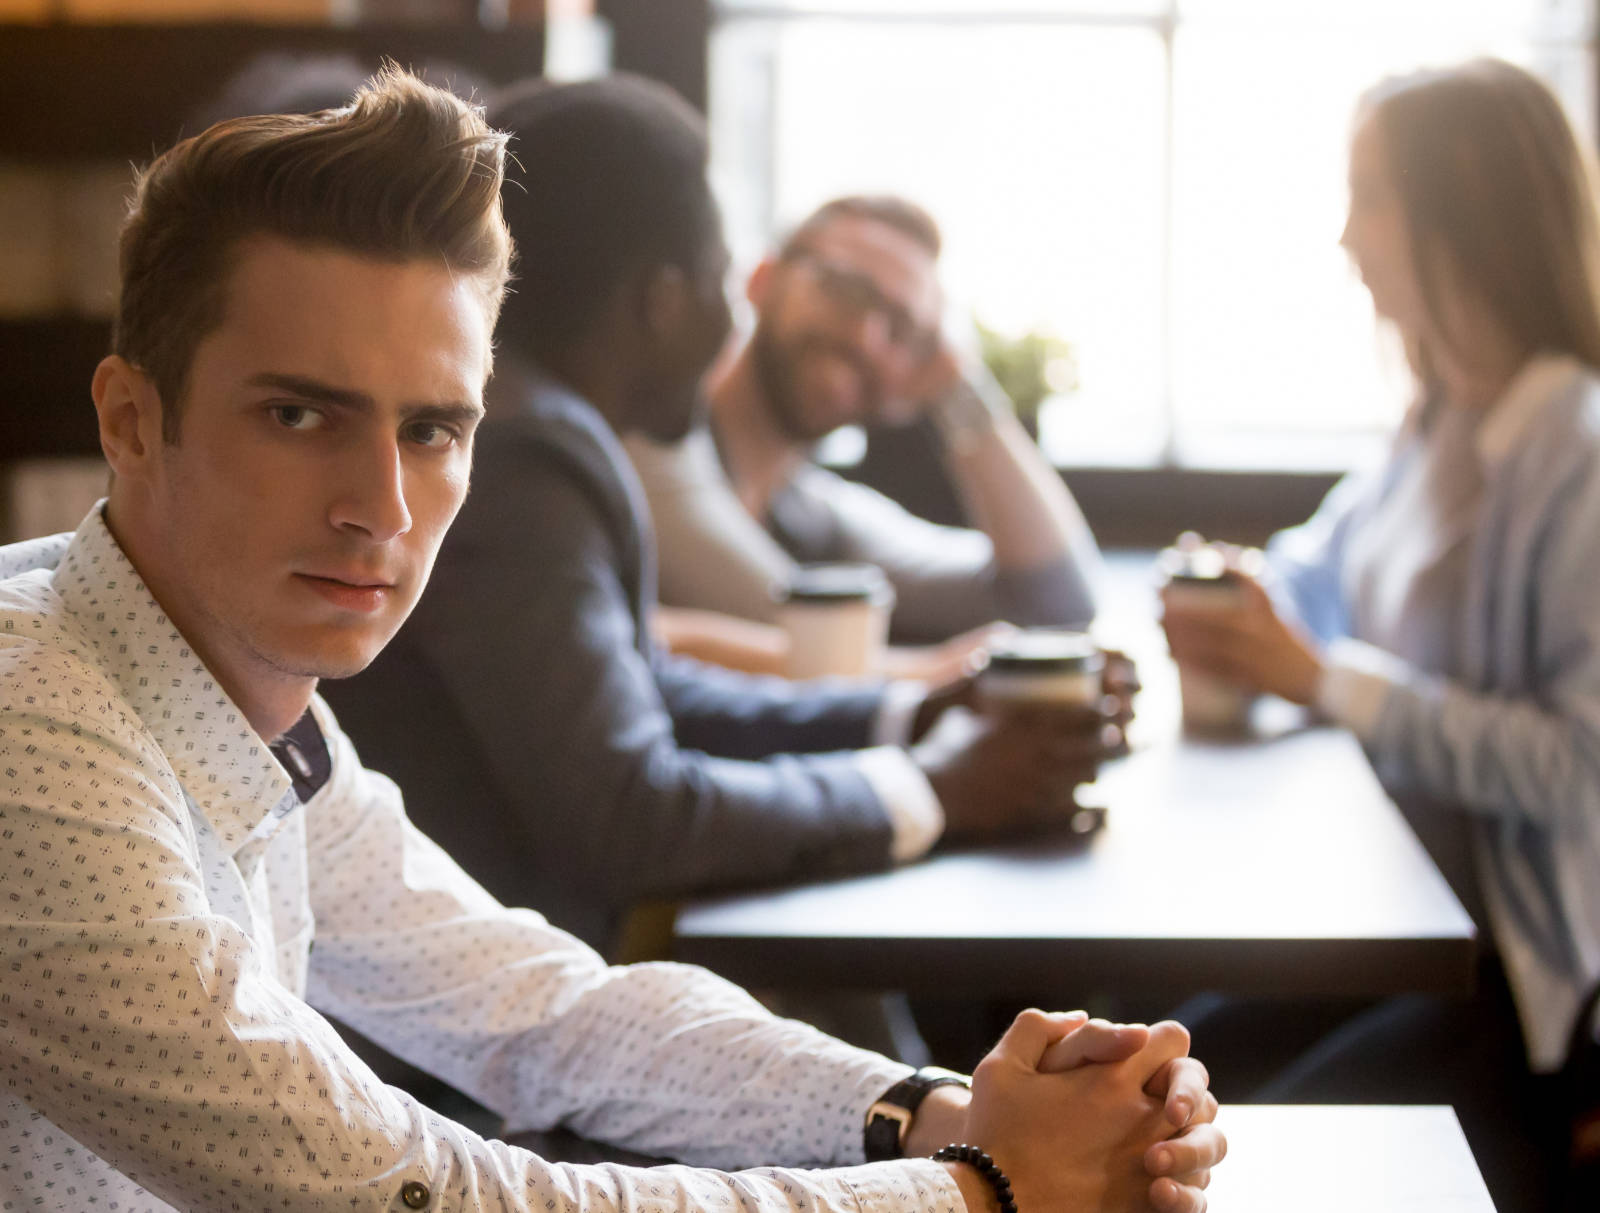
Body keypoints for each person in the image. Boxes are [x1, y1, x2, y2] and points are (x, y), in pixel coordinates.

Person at [0, 67, 1230, 1213]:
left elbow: (542, 1011)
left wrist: (934, 1113)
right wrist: (979, 1188)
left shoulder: (247, 701)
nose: (378, 505)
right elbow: (413, 1194)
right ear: (131, 420)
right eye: (297, 413)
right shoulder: (32, 728)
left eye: (432, 430)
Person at [322, 76, 1122, 959]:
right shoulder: (530, 460)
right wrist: (931, 786)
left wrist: (906, 714)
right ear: (662, 302)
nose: (730, 315)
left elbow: (643, 681)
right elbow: (628, 816)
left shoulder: (546, 432)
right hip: (477, 1020)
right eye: (719, 281)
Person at [1160, 58, 1600, 1211]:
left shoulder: (1578, 456)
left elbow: (1581, 768)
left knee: (1194, 1156)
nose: (1345, 235)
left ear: (1464, 208)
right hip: (1386, 932)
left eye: (1371, 195)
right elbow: (1315, 569)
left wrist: (1321, 678)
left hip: (1513, 992)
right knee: (1151, 1085)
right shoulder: (1438, 419)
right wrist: (1231, 591)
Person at [627, 194, 1104, 647]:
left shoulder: (819, 520)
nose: (867, 336)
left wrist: (957, 385)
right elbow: (802, 642)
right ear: (762, 281)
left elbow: (1056, 600)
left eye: (903, 328)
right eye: (846, 289)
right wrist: (937, 678)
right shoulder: (649, 443)